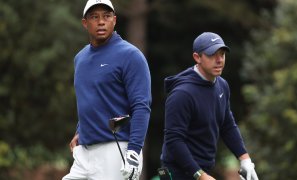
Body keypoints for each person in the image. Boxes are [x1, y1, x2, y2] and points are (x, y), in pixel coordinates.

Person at [62, 0, 151, 179]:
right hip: (85, 151)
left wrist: (134, 150)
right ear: (85, 23)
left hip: (117, 149)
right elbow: (90, 99)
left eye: (106, 16)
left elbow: (141, 106)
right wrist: (81, 129)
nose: (101, 21)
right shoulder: (80, 58)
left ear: (114, 20)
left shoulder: (130, 55)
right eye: (95, 17)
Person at [160, 32, 258, 180]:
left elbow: (227, 124)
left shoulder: (222, 85)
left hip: (202, 169)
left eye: (222, 54)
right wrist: (200, 175)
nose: (219, 60)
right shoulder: (182, 94)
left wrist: (245, 159)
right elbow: (174, 141)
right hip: (177, 173)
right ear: (197, 57)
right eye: (213, 55)